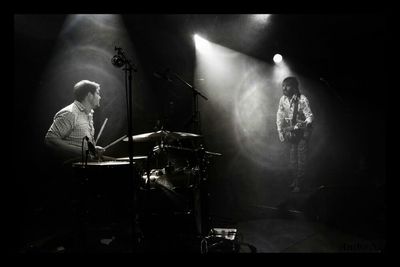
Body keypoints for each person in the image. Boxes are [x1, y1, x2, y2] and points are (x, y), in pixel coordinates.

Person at [45, 80, 105, 163]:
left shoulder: (88, 114)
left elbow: (79, 143)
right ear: (89, 95)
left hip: (85, 166)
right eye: (97, 93)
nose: (100, 97)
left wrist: (93, 149)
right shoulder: (70, 113)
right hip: (71, 169)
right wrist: (83, 151)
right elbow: (50, 140)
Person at [276, 77, 314, 193]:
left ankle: (300, 183)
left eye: (287, 85)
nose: (284, 88)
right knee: (293, 159)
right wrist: (280, 130)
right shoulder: (282, 100)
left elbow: (310, 116)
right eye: (283, 85)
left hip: (302, 133)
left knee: (301, 159)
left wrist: (306, 122)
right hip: (291, 132)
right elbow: (280, 114)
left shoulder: (302, 100)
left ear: (294, 87)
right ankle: (295, 180)